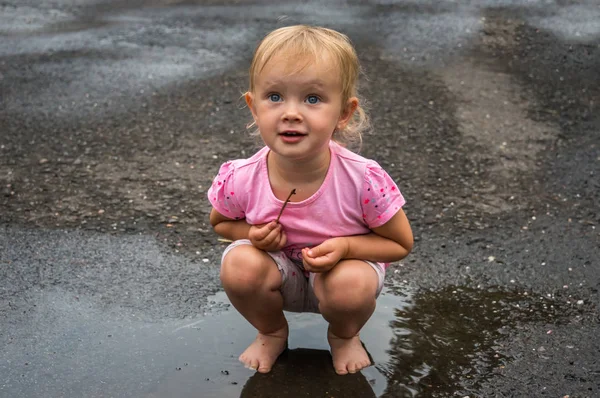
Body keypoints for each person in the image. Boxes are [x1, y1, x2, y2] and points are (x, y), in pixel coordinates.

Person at [208, 25, 413, 376]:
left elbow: (400, 243)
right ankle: (271, 331)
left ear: (344, 113)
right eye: (274, 96)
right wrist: (252, 233)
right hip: (278, 273)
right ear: (253, 107)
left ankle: (344, 335)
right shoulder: (243, 176)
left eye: (313, 99)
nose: (291, 113)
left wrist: (347, 248)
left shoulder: (362, 179)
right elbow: (220, 223)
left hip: (339, 279)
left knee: (349, 285)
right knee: (239, 264)